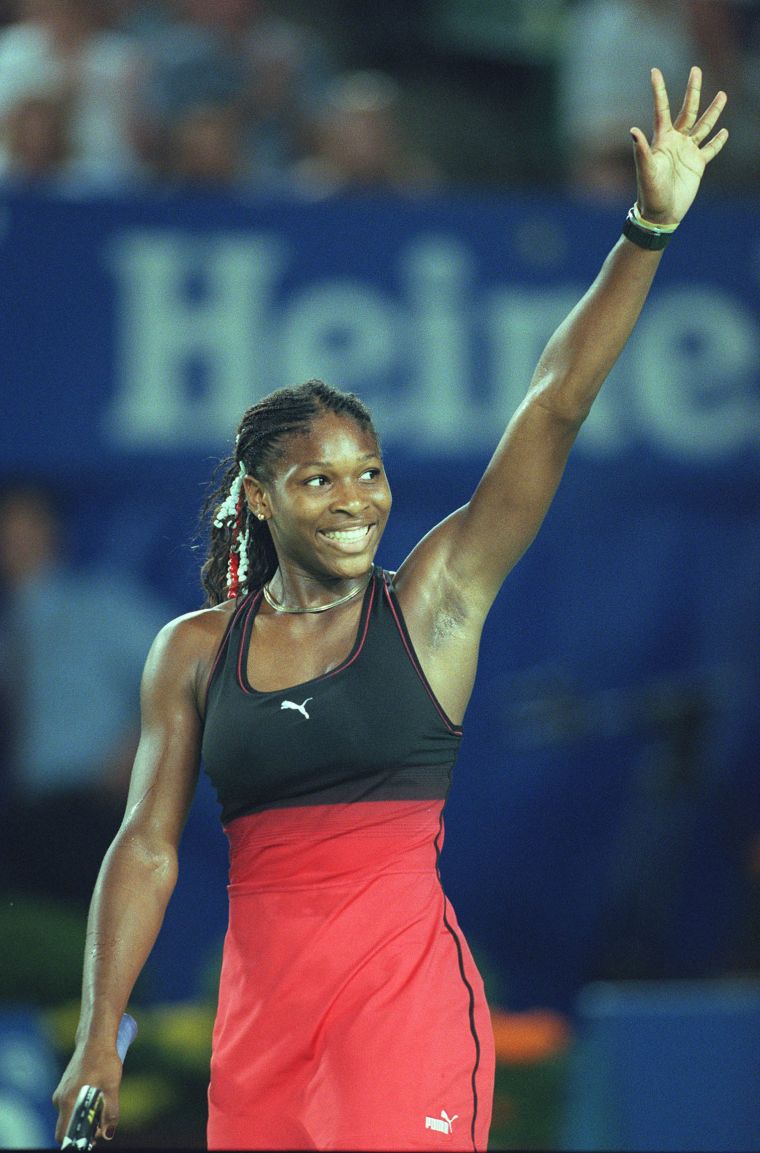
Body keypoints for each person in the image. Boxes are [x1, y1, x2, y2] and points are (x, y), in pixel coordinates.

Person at [53, 67, 728, 1152]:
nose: (357, 498)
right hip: (261, 1030)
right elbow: (145, 847)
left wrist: (647, 227)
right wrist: (98, 1036)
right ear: (261, 500)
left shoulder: (435, 603)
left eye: (367, 472)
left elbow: (554, 402)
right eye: (319, 479)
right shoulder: (192, 651)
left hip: (402, 1022)